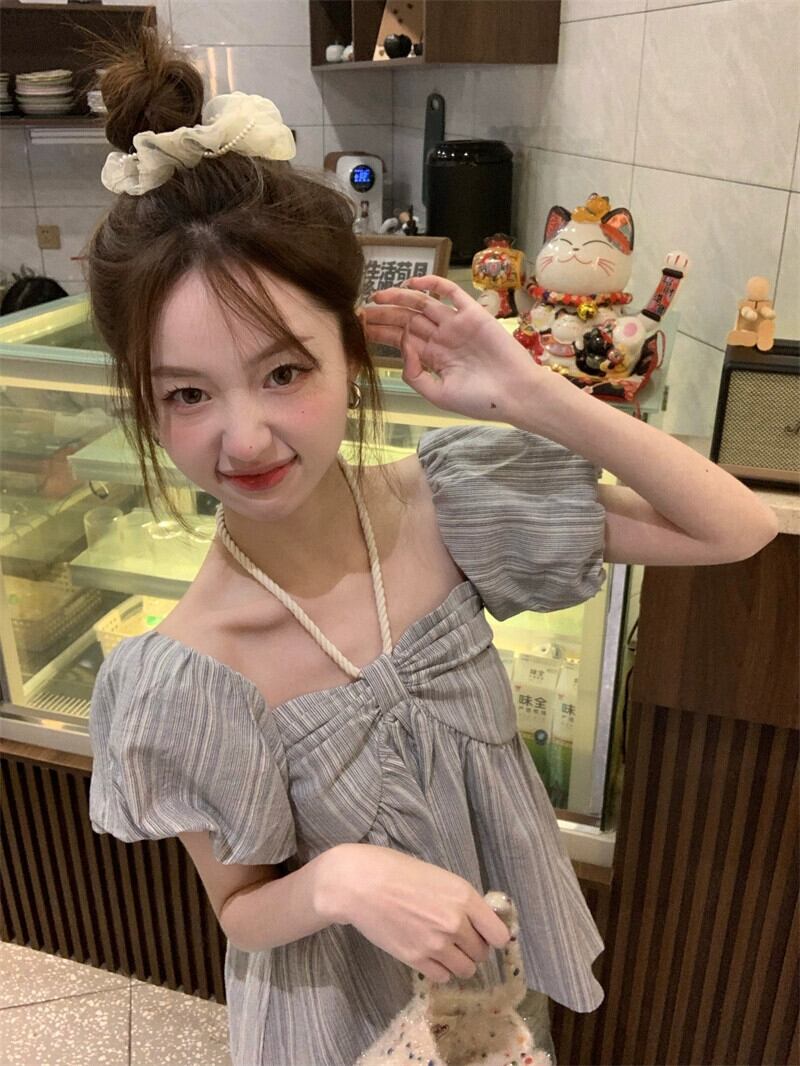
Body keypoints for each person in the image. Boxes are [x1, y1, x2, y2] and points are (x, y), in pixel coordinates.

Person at [85, 31, 779, 1066]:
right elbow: (240, 910)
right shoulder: (189, 670)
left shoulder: (444, 507)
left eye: (284, 372)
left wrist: (532, 392)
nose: (246, 438)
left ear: (349, 349)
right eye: (187, 393)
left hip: (483, 1004)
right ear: (146, 407)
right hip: (330, 1024)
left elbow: (735, 527)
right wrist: (337, 879)